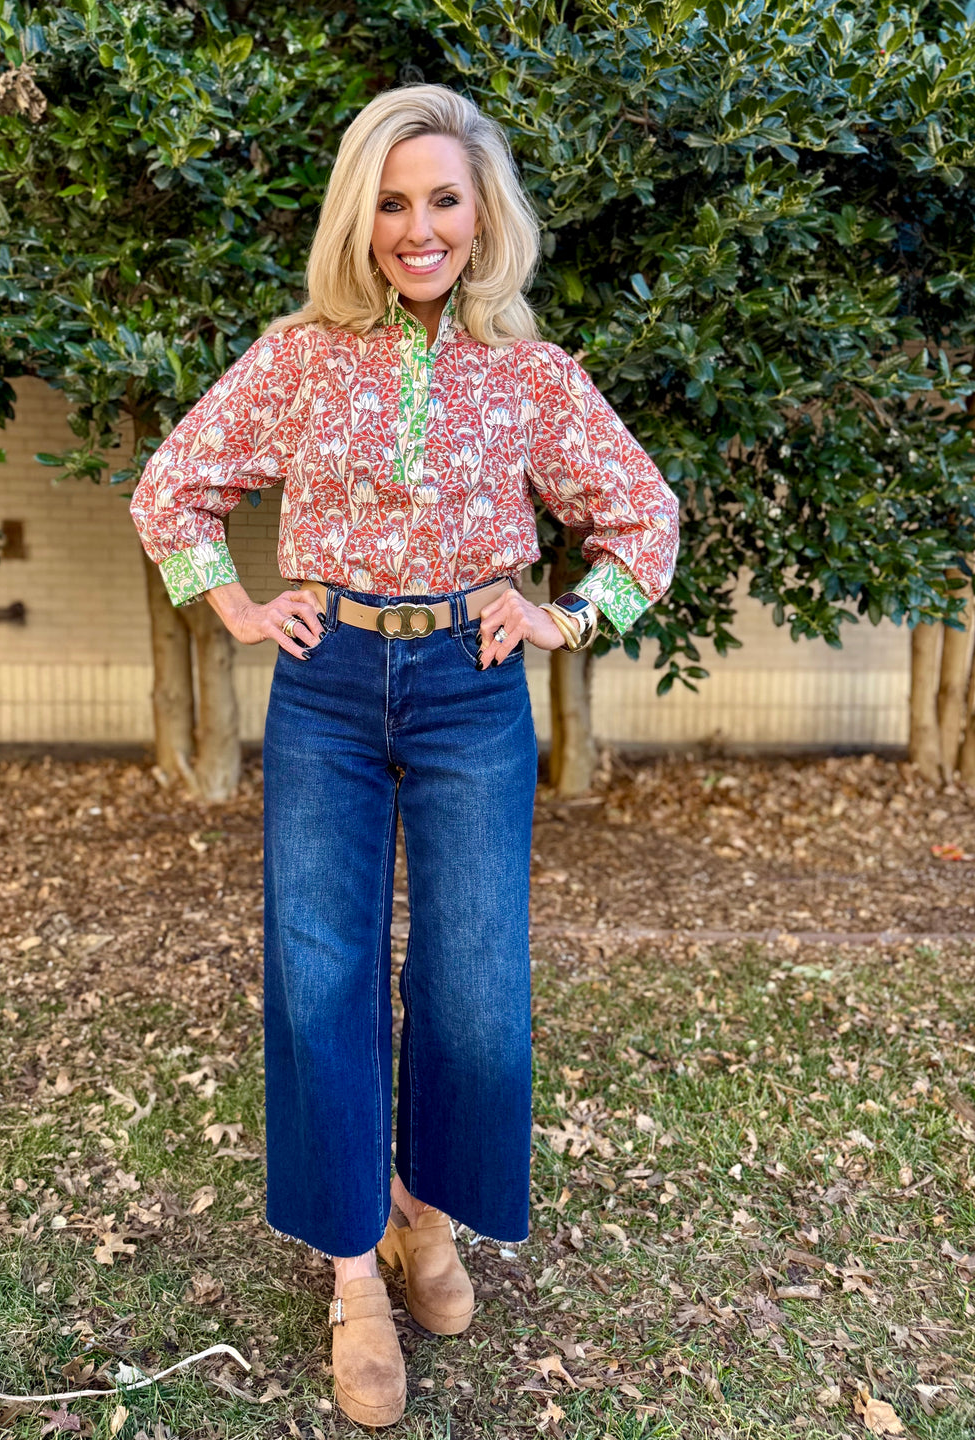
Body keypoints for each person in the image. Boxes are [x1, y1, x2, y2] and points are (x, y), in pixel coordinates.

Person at [129, 82, 679, 1427]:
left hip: (470, 688)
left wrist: (564, 617)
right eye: (390, 199)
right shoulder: (300, 353)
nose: (417, 226)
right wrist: (239, 606)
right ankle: (351, 1281)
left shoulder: (534, 376)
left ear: (483, 213)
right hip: (325, 688)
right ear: (356, 214)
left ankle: (426, 1223)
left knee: (474, 980)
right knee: (320, 979)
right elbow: (174, 486)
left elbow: (643, 515)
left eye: (442, 197)